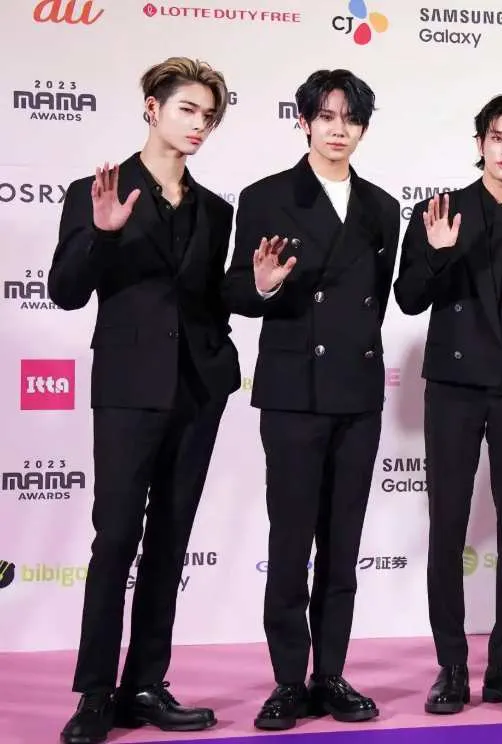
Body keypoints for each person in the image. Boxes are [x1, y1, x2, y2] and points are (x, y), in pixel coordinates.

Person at [48, 57, 238, 744]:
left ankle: (146, 684)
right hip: (129, 389)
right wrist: (102, 233)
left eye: (209, 116)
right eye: (188, 110)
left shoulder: (216, 210)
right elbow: (65, 291)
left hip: (198, 390)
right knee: (116, 539)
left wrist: (259, 289)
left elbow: (211, 299)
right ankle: (96, 693)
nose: (199, 125)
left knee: (170, 540)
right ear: (153, 109)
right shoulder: (94, 191)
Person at [221, 69, 399, 730]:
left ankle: (331, 675)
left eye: (350, 118)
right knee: (292, 542)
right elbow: (235, 291)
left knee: (342, 545)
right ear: (304, 122)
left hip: (357, 393)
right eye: (326, 116)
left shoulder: (383, 207)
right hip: (293, 392)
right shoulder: (266, 197)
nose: (337, 129)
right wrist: (263, 285)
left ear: (363, 128)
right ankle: (288, 681)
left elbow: (377, 302)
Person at [394, 94, 502, 715]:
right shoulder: (438, 212)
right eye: (497, 138)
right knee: (448, 526)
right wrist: (440, 252)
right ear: (479, 144)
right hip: (453, 388)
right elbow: (409, 298)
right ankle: (451, 666)